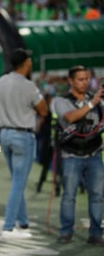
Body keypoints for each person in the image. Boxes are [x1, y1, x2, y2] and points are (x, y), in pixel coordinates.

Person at [0, 48, 48, 238]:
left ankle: (23, 221)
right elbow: (43, 110)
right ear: (26, 63)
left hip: (5, 135)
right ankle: (8, 227)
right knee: (18, 183)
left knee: (17, 181)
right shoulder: (28, 86)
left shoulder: (1, 81)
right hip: (22, 136)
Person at [53, 65, 104, 245]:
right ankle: (66, 231)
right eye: (80, 79)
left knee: (97, 195)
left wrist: (97, 102)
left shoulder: (97, 100)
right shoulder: (60, 100)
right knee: (69, 195)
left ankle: (96, 233)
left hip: (94, 153)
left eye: (87, 79)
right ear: (71, 81)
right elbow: (70, 117)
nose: (85, 83)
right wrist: (93, 103)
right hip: (71, 155)